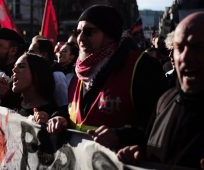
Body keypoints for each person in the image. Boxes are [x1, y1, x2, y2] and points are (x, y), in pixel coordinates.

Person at [49, 5, 168, 150]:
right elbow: (78, 112)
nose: (79, 38)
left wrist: (122, 137)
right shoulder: (80, 71)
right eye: (77, 31)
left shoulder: (142, 67)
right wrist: (60, 118)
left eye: (88, 32)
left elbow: (160, 126)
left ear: (109, 34)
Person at [117, 12, 204, 169]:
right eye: (179, 48)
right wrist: (140, 155)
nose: (184, 57)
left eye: (196, 47)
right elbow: (149, 144)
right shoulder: (165, 101)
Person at [28, 37, 69, 109]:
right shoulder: (31, 73)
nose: (28, 55)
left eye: (32, 52)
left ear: (44, 54)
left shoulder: (57, 76)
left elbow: (63, 104)